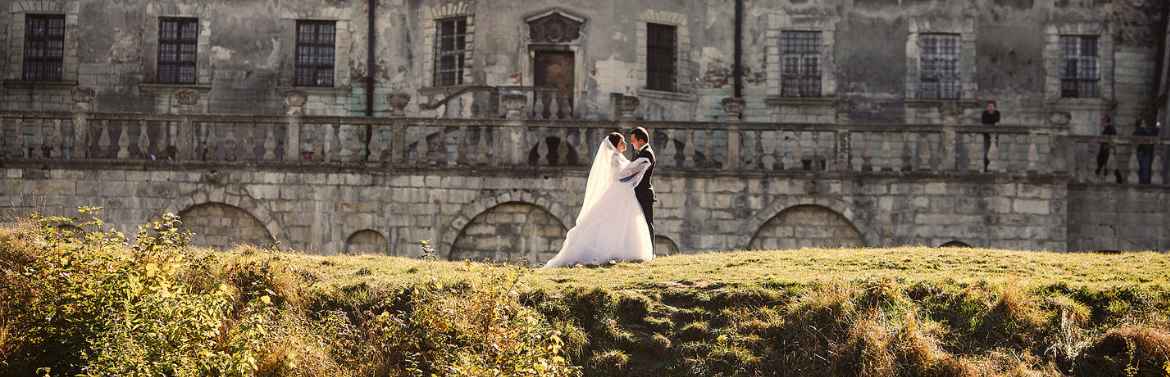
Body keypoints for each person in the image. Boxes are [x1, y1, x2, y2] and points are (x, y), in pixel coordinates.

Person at [543, 133, 654, 267]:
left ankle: (623, 250)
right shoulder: (615, 158)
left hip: (624, 193)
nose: (625, 144)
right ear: (615, 145)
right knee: (615, 221)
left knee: (622, 221)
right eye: (622, 142)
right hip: (619, 193)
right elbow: (622, 175)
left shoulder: (618, 157)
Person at [627, 127, 656, 241]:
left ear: (641, 141)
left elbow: (633, 171)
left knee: (647, 223)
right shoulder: (639, 152)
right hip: (638, 193)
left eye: (633, 140)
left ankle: (651, 252)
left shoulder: (647, 153)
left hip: (644, 194)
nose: (631, 143)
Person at [1095, 115, 1120, 182]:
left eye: (1102, 121)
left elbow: (1113, 140)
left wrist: (1109, 148)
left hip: (1107, 150)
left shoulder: (1111, 128)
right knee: (1102, 164)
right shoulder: (1106, 128)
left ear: (1106, 121)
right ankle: (1118, 180)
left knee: (1109, 166)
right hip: (1104, 150)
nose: (1101, 122)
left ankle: (1119, 180)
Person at [1135, 119, 1158, 184]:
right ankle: (1144, 182)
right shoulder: (1141, 130)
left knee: (1143, 168)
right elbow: (1153, 133)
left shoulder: (1140, 130)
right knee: (1144, 168)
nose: (1145, 124)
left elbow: (1154, 133)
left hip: (1143, 152)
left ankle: (1143, 181)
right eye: (1143, 123)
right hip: (1144, 152)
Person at [980, 101, 1001, 172]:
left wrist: (991, 121)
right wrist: (992, 122)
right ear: (987, 107)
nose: (990, 108)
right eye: (989, 106)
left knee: (994, 151)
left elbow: (997, 120)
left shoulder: (997, 113)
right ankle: (986, 168)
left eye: (992, 106)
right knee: (986, 151)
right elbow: (984, 121)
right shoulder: (984, 113)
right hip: (986, 135)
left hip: (995, 135)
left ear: (994, 107)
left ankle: (994, 167)